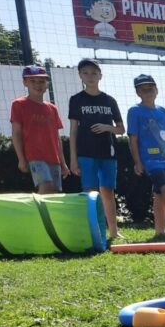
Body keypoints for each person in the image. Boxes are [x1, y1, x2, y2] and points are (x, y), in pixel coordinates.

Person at [126, 74, 165, 239]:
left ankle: (159, 230)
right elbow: (133, 139)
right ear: (138, 92)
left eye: (150, 88)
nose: (148, 92)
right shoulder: (134, 111)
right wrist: (137, 162)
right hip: (150, 160)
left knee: (160, 194)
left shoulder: (163, 111)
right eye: (143, 89)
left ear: (156, 90)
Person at [68, 59, 123, 239]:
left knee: (107, 191)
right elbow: (73, 130)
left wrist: (107, 127)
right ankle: (93, 232)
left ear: (100, 76)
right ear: (80, 75)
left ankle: (113, 231)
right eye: (85, 73)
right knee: (90, 193)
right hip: (86, 153)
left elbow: (121, 129)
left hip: (108, 153)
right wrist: (73, 159)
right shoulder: (76, 100)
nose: (90, 76)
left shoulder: (110, 100)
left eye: (94, 73)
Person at [11, 65, 69, 195]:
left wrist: (63, 163)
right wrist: (21, 158)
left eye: (41, 81)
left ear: (47, 84)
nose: (38, 85)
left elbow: (57, 138)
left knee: (54, 193)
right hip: (35, 157)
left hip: (53, 158)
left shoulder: (52, 108)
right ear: (25, 83)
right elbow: (16, 133)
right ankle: (36, 209)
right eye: (33, 81)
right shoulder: (18, 104)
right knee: (46, 187)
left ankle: (45, 209)